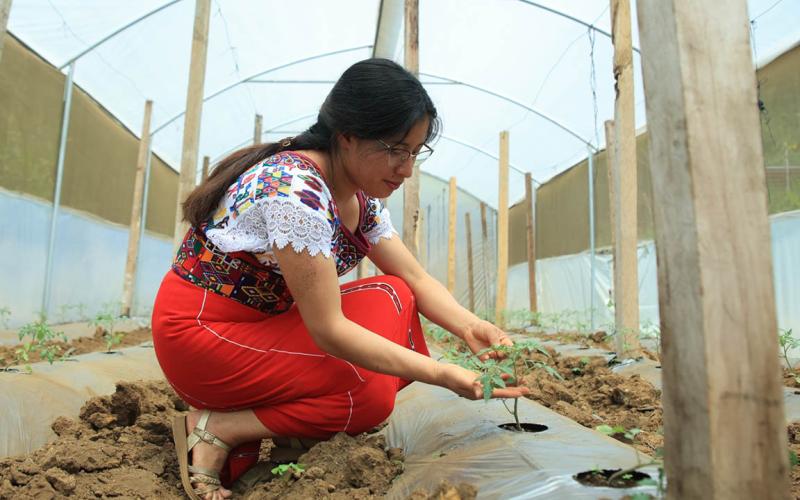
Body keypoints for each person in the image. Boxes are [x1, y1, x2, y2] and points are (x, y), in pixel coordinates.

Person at [151, 58, 528, 500]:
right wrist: (441, 373)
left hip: (257, 328)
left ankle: (283, 416)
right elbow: (328, 329)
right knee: (369, 396)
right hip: (202, 337)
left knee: (396, 294)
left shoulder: (358, 200)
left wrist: (471, 328)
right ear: (347, 137)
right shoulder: (296, 193)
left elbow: (414, 277)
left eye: (415, 152)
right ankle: (220, 426)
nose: (406, 168)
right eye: (395, 149)